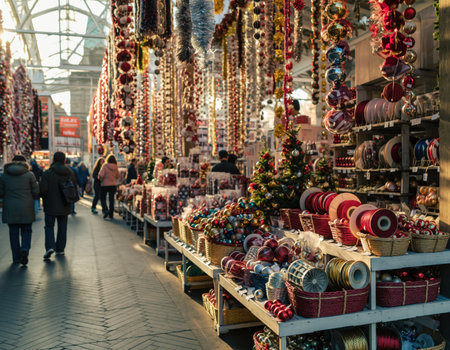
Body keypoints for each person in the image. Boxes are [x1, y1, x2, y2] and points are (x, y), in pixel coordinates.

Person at [0, 155, 39, 265]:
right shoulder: (29, 175)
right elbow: (36, 191)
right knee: (27, 230)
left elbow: (1, 192)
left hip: (10, 207)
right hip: (26, 207)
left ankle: (16, 258)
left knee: (13, 233)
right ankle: (25, 248)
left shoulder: (4, 176)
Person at [39, 151, 78, 260]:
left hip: (50, 204)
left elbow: (43, 190)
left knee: (49, 226)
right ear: (64, 160)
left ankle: (50, 247)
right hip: (65, 204)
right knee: (62, 227)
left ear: (54, 160)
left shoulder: (48, 173)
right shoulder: (69, 172)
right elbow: (74, 186)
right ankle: (60, 249)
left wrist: (43, 197)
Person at [98, 154, 119, 219]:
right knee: (111, 199)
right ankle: (111, 213)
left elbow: (101, 175)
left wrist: (100, 180)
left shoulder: (105, 166)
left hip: (104, 185)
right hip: (113, 185)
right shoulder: (116, 167)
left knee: (102, 198)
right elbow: (117, 176)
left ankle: (105, 210)